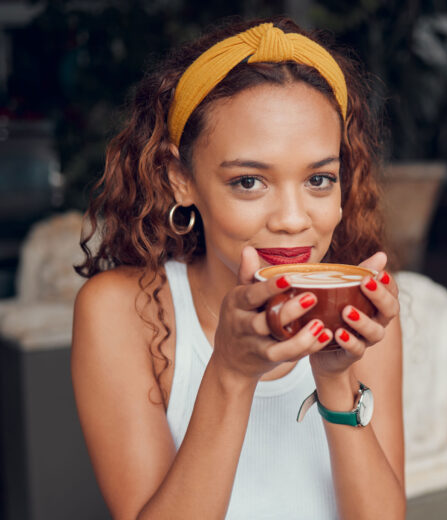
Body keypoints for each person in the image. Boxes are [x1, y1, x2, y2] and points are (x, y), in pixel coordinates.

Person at [71, 17, 405, 520]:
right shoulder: (123, 310)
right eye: (249, 182)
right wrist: (230, 370)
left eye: (319, 179)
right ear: (179, 178)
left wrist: (336, 378)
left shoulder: (368, 310)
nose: (293, 221)